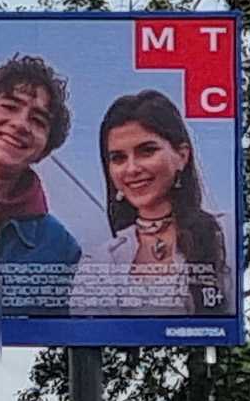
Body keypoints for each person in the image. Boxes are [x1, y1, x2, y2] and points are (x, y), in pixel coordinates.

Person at [74, 89, 231, 313]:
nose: (132, 169)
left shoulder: (226, 234)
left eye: (147, 151)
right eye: (118, 158)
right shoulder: (99, 263)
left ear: (182, 156)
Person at [0, 55, 83, 293]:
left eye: (38, 120)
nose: (21, 124)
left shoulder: (59, 248)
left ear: (44, 150)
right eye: (10, 107)